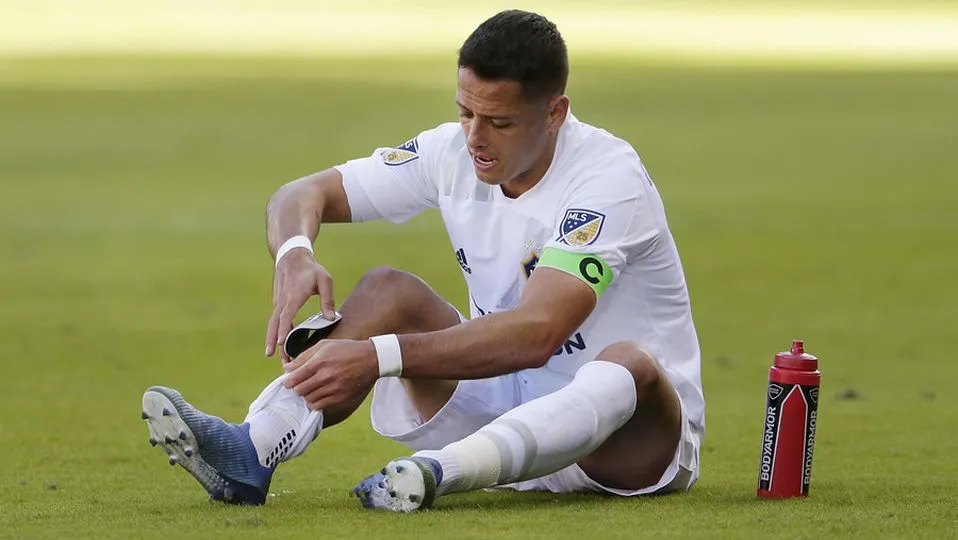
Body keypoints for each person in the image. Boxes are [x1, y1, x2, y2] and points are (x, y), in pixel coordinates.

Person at [140, 9, 705, 512]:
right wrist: (293, 252)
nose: (475, 138)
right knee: (388, 290)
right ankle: (252, 449)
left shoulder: (607, 180)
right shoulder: (453, 152)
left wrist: (376, 357)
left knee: (627, 361)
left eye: (500, 123)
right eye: (465, 112)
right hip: (502, 406)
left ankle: (441, 472)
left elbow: (538, 333)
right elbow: (302, 193)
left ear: (555, 112)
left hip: (626, 443)